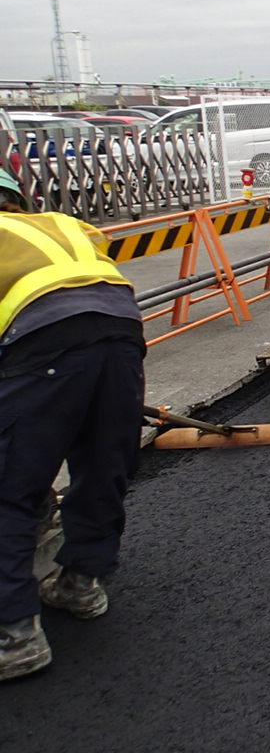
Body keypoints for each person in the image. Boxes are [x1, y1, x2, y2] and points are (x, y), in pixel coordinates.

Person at [0, 171, 145, 682]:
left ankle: (13, 634)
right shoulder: (63, 223)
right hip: (122, 333)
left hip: (45, 345)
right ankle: (81, 581)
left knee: (9, 488)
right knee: (103, 465)